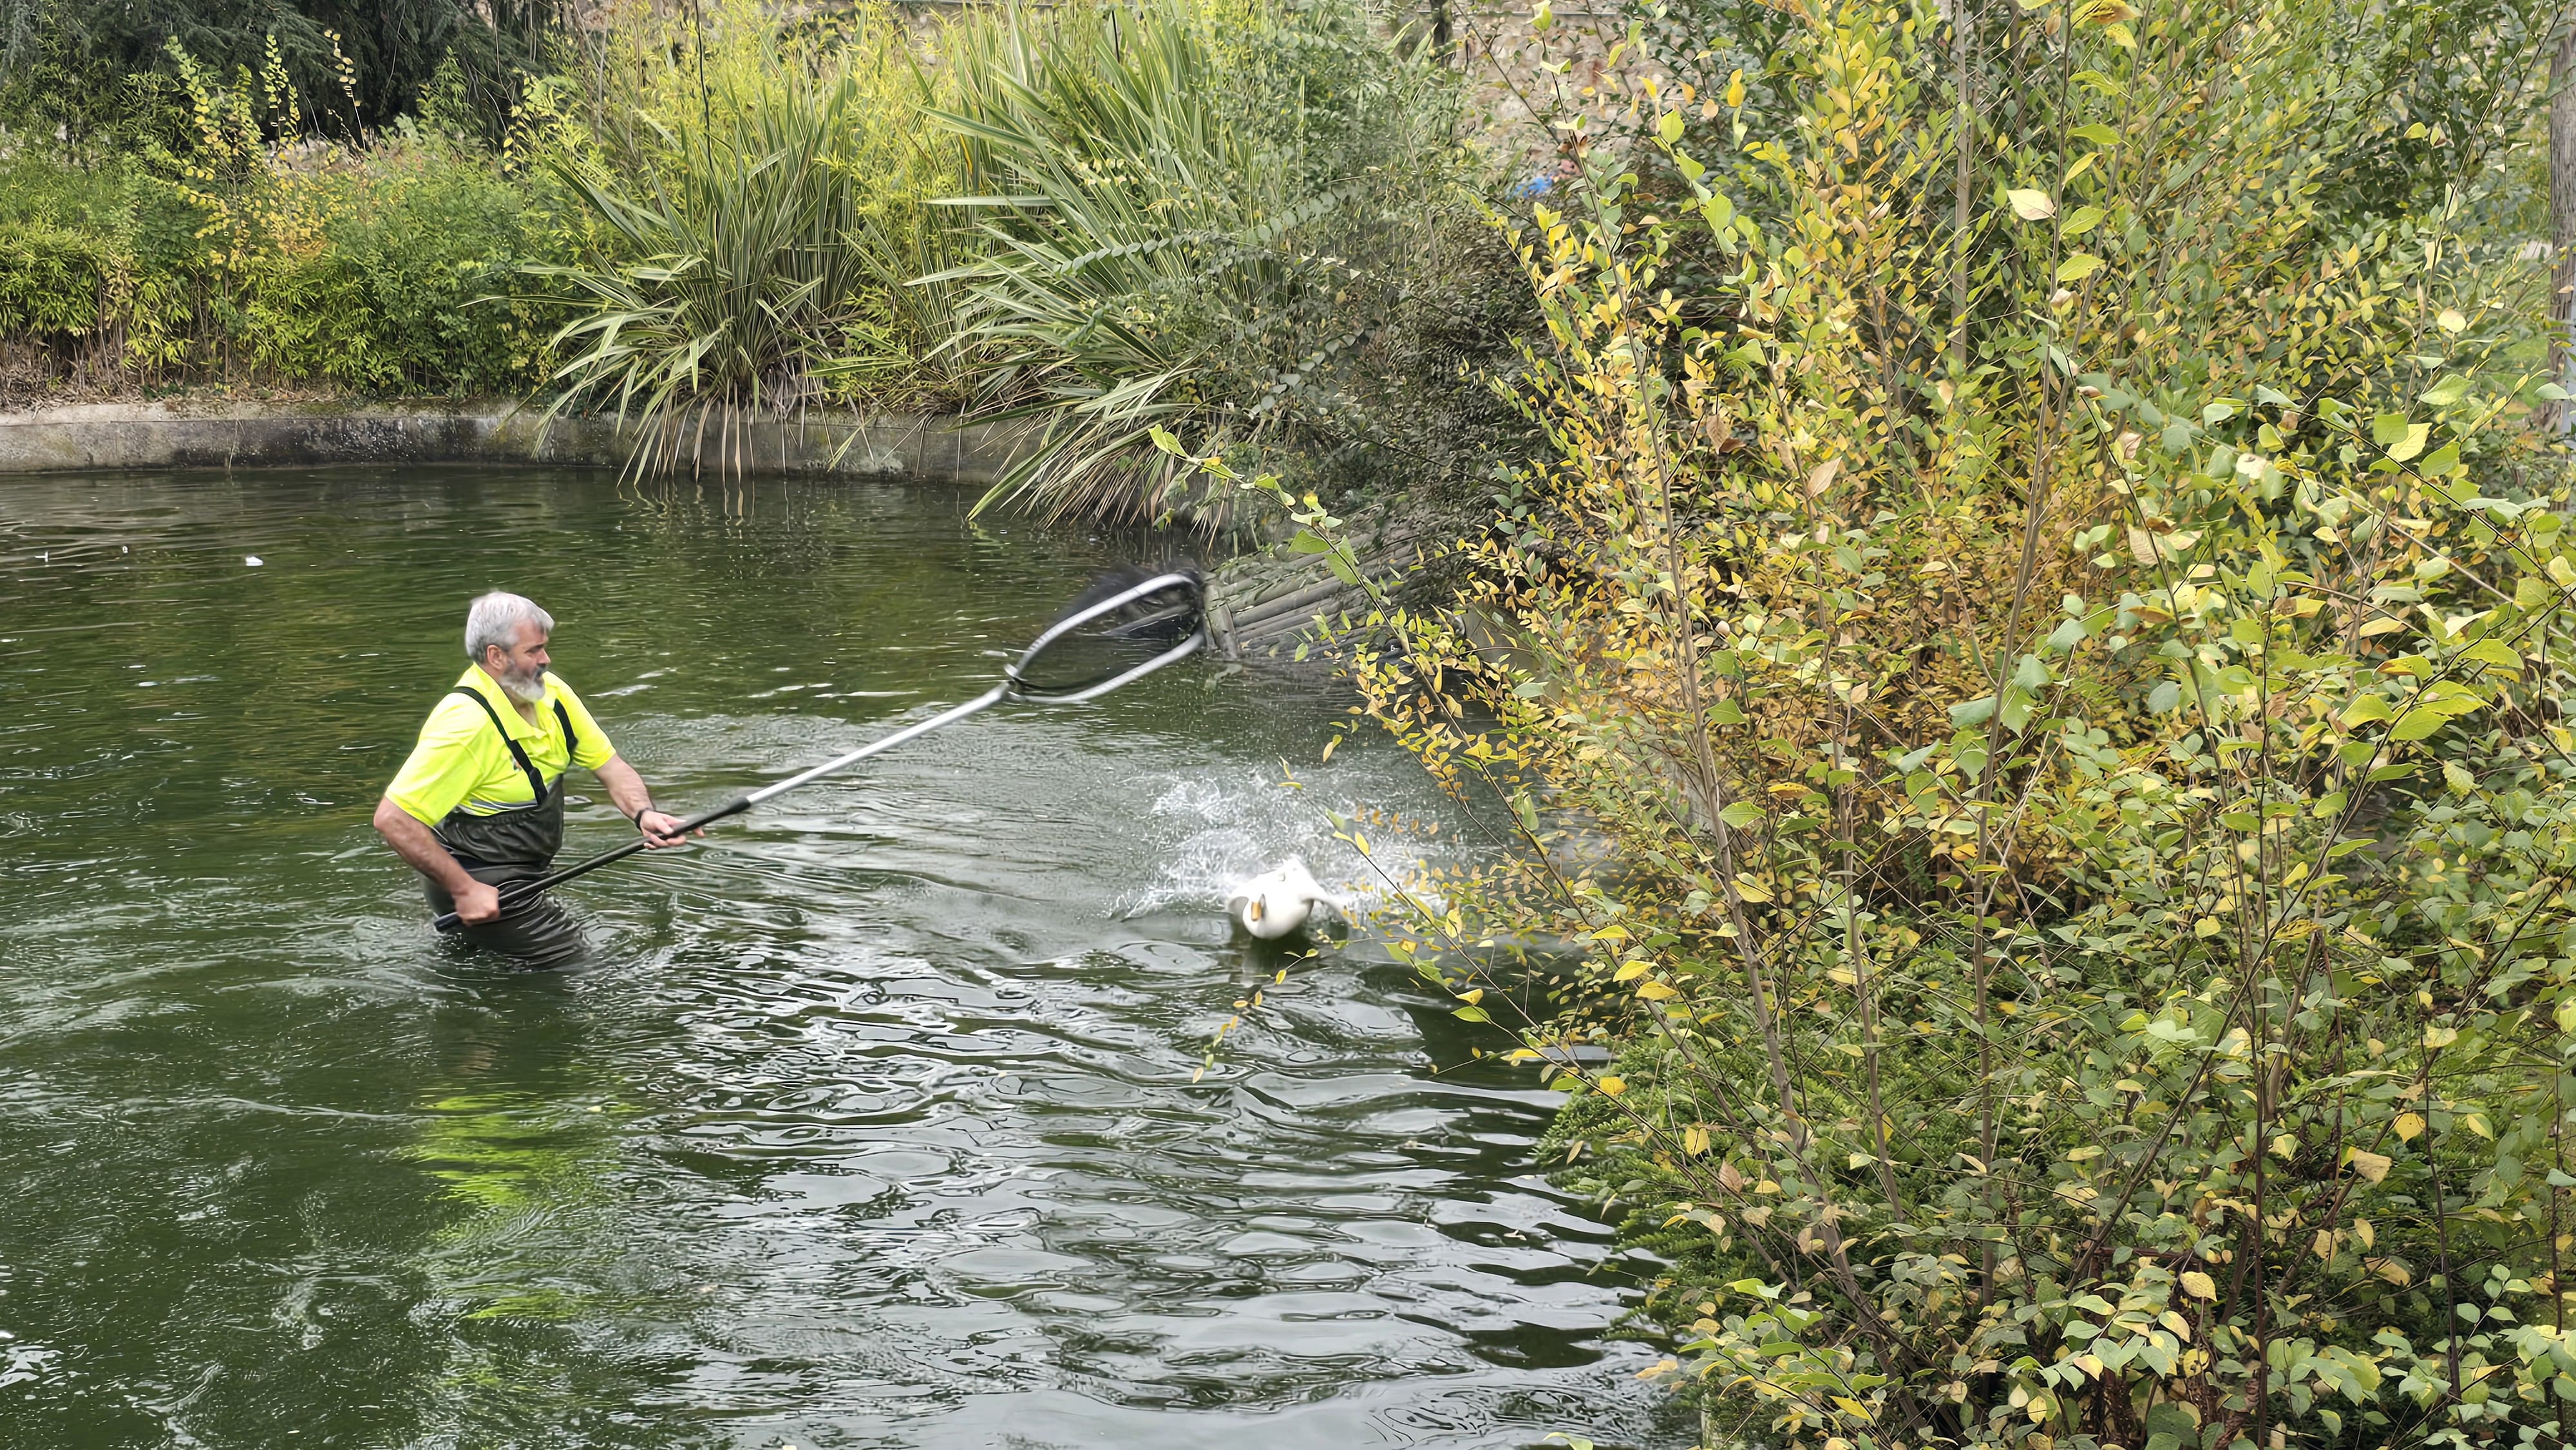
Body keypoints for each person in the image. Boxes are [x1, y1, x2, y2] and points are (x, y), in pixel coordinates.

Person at [374, 592, 694, 966]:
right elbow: (393, 819)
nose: (546, 659)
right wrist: (465, 890)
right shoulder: (465, 725)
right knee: (588, 973)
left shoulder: (552, 695)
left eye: (545, 648)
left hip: (525, 879)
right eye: (533, 651)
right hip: (484, 886)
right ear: (496, 656)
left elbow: (611, 766)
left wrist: (644, 815)